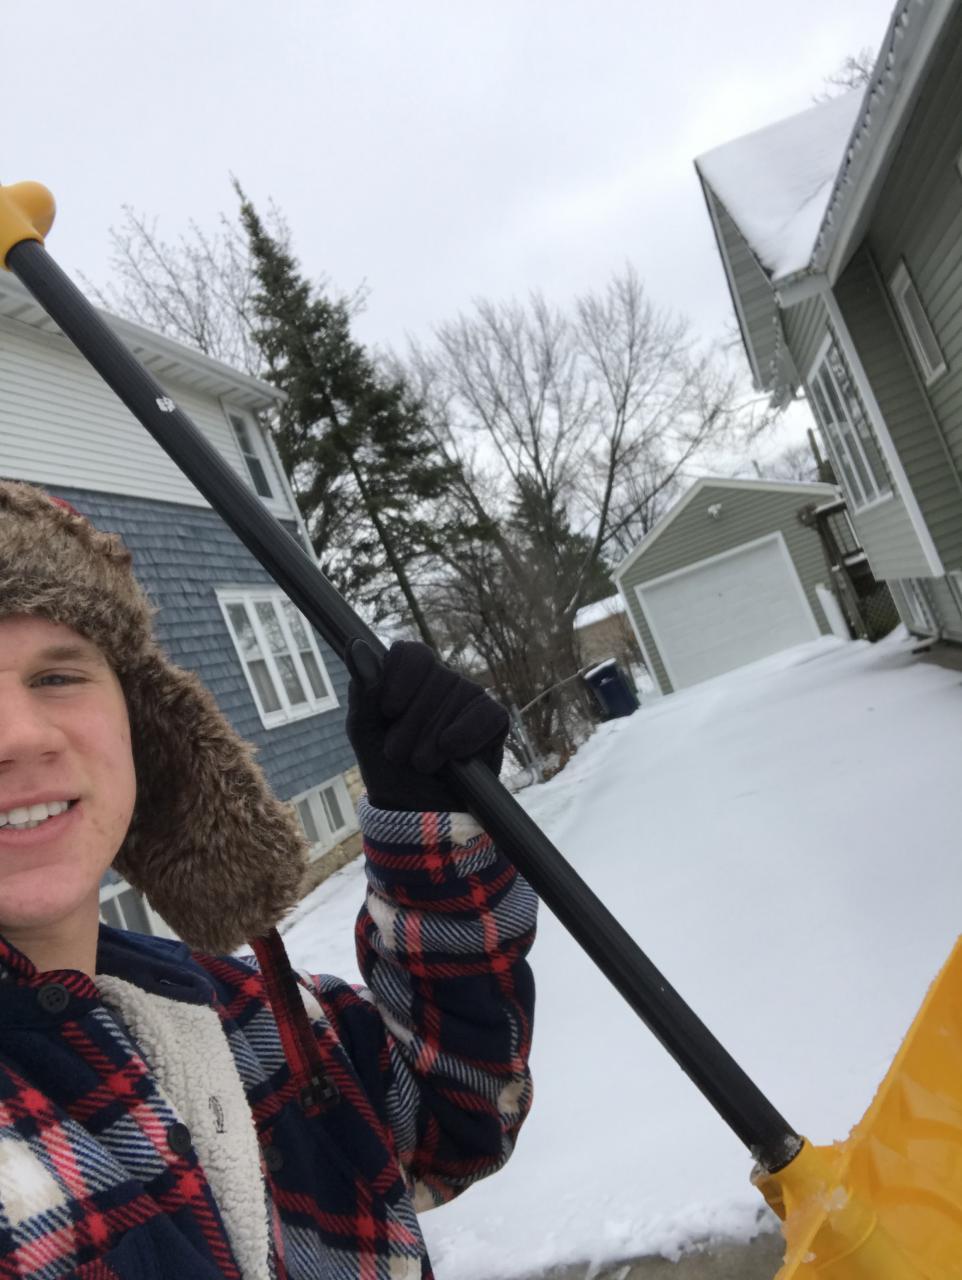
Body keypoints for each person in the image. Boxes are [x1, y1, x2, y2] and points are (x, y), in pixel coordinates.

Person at [0, 480, 536, 1280]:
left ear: (145, 729)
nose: (18, 736)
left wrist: (429, 830)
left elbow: (456, 1120)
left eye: (57, 677)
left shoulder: (243, 1015)